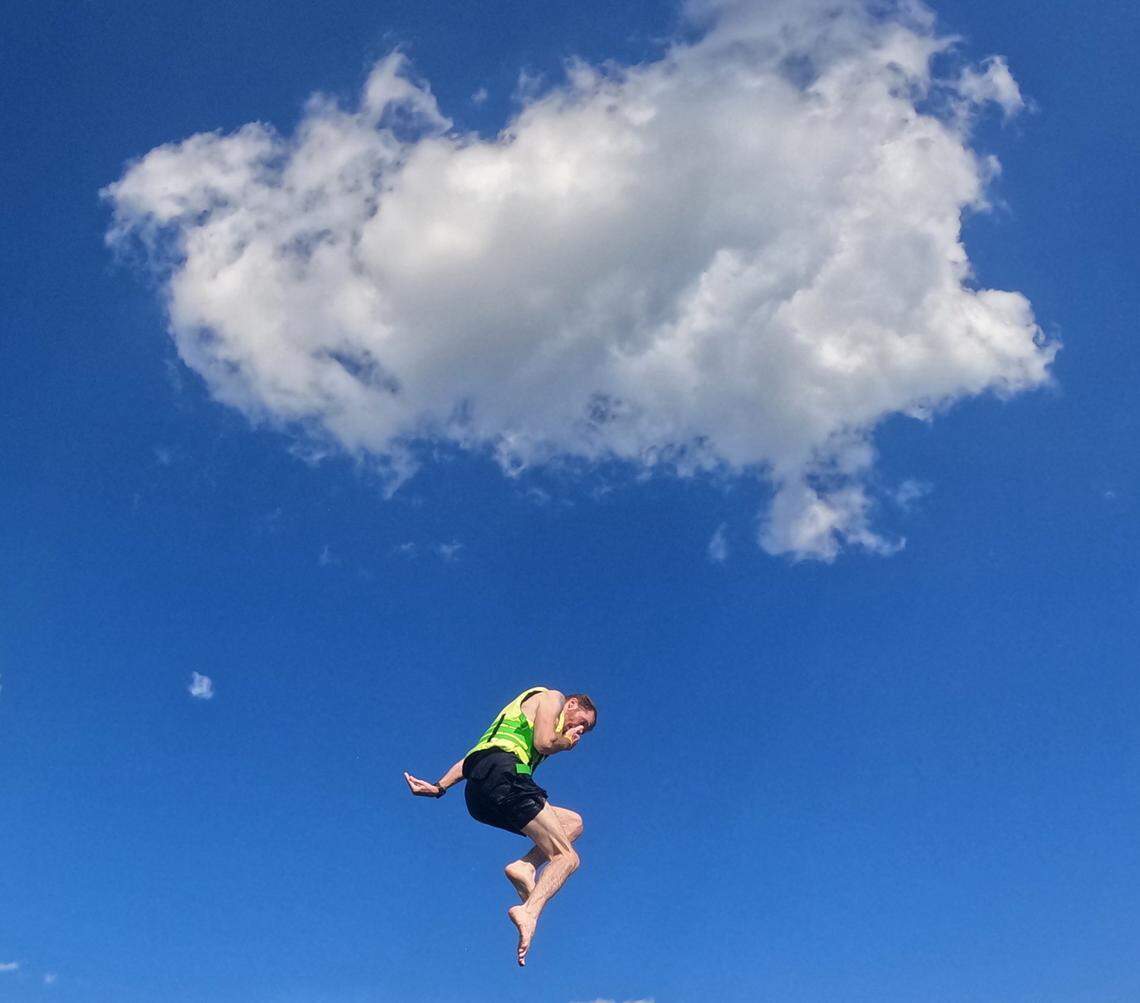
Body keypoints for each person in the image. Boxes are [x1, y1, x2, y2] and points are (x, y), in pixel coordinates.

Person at [404, 686, 597, 966]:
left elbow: (472, 758)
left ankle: (526, 865)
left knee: (573, 823)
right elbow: (544, 742)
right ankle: (529, 912)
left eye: (585, 729)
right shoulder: (552, 698)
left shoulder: (512, 727)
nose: (579, 729)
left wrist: (439, 787)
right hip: (504, 776)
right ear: (572, 703)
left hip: (480, 795)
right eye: (582, 721)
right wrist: (565, 742)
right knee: (567, 857)